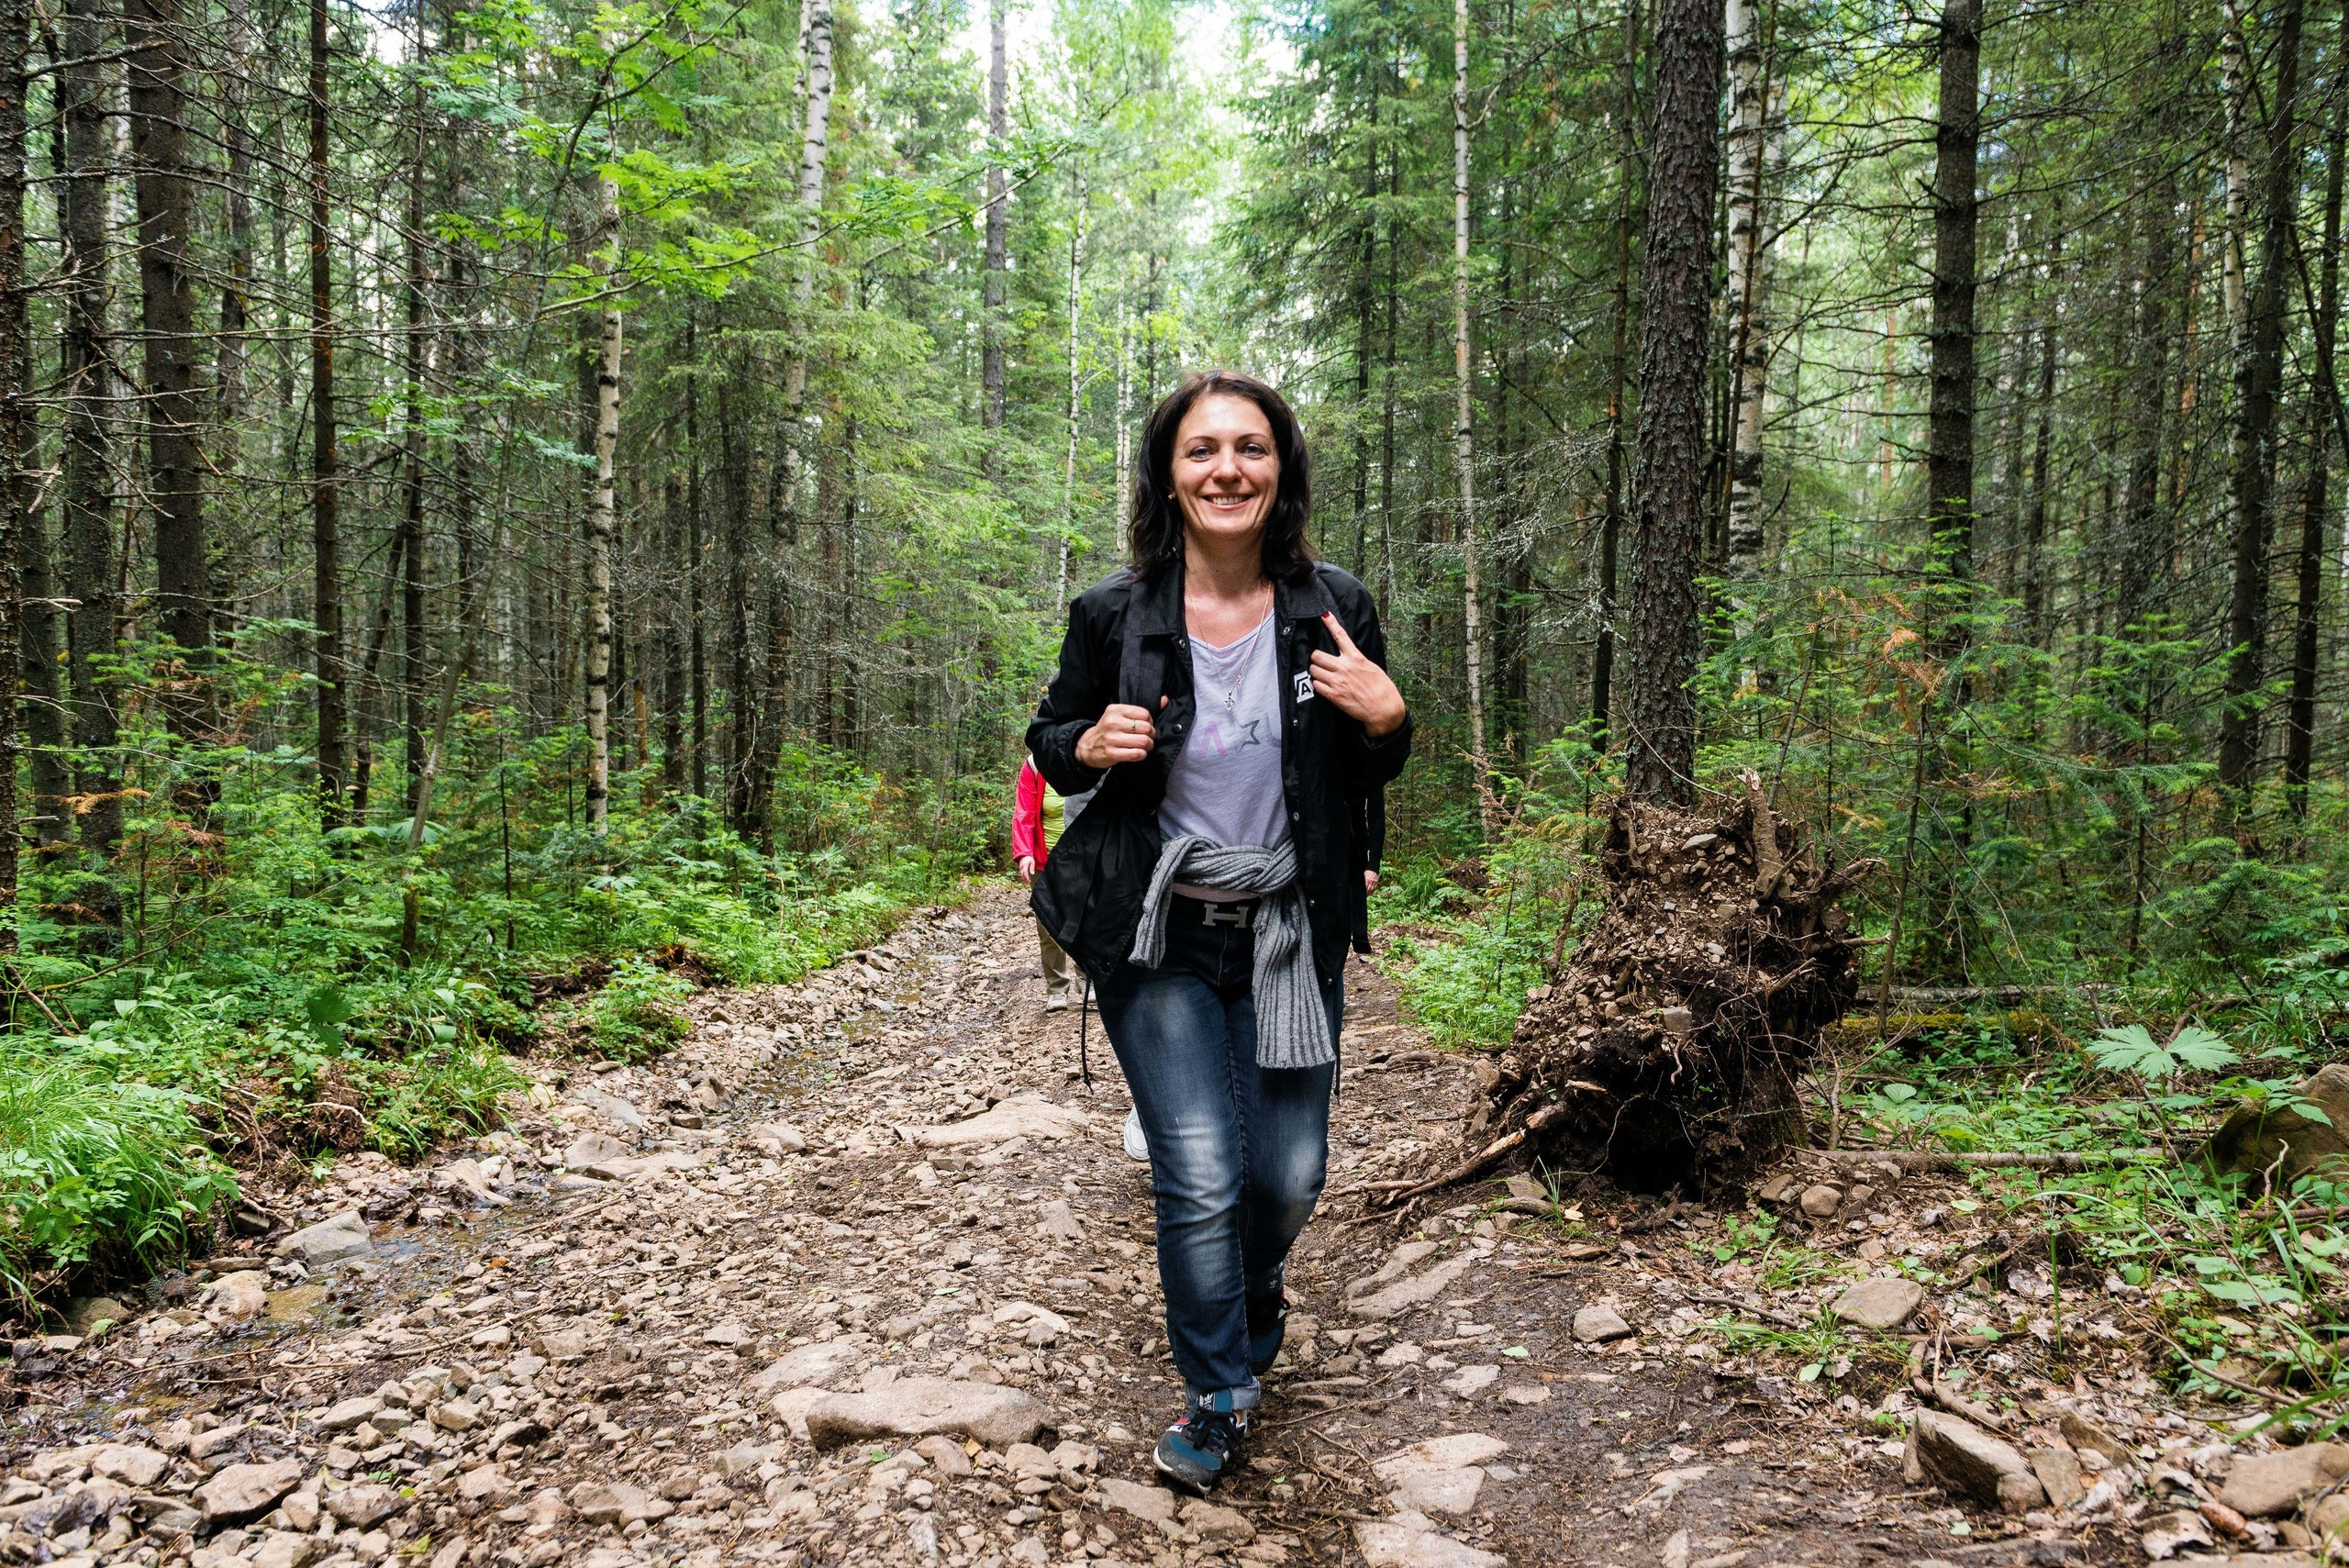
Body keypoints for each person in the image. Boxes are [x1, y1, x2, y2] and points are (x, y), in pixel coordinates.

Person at [1027, 369, 1411, 1494]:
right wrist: (1086, 744)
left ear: (1280, 468)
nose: (1226, 469)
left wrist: (1391, 720)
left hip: (1291, 924)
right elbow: (1052, 738)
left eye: (1249, 447)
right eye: (1201, 450)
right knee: (1198, 1169)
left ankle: (1252, 1289)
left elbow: (1366, 751)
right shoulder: (1115, 612)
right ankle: (1220, 1391)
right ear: (1168, 474)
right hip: (1156, 929)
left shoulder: (1330, 601)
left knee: (1287, 1174)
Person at [1012, 758, 1079, 1012]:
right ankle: (1057, 988)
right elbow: (1024, 813)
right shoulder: (1035, 766)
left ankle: (1088, 980)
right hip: (1045, 858)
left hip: (1083, 858)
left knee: (1085, 920)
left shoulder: (1091, 756)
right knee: (1048, 926)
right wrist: (1025, 853)